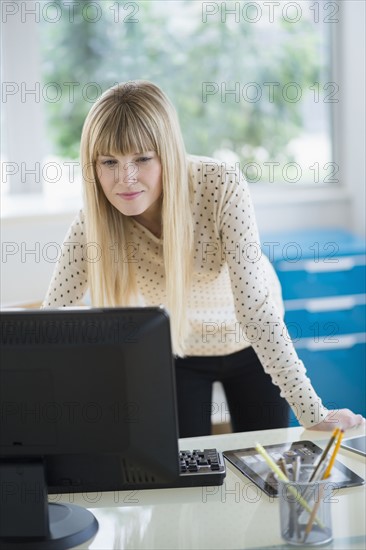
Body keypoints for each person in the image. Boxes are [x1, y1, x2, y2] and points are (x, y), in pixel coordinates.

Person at [42, 80, 365, 437]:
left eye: (143, 158)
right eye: (109, 161)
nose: (126, 178)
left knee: (269, 463)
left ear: (168, 153)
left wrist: (313, 413)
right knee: (185, 467)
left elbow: (255, 309)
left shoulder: (219, 184)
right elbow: (54, 318)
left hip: (252, 343)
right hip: (181, 350)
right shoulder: (95, 217)